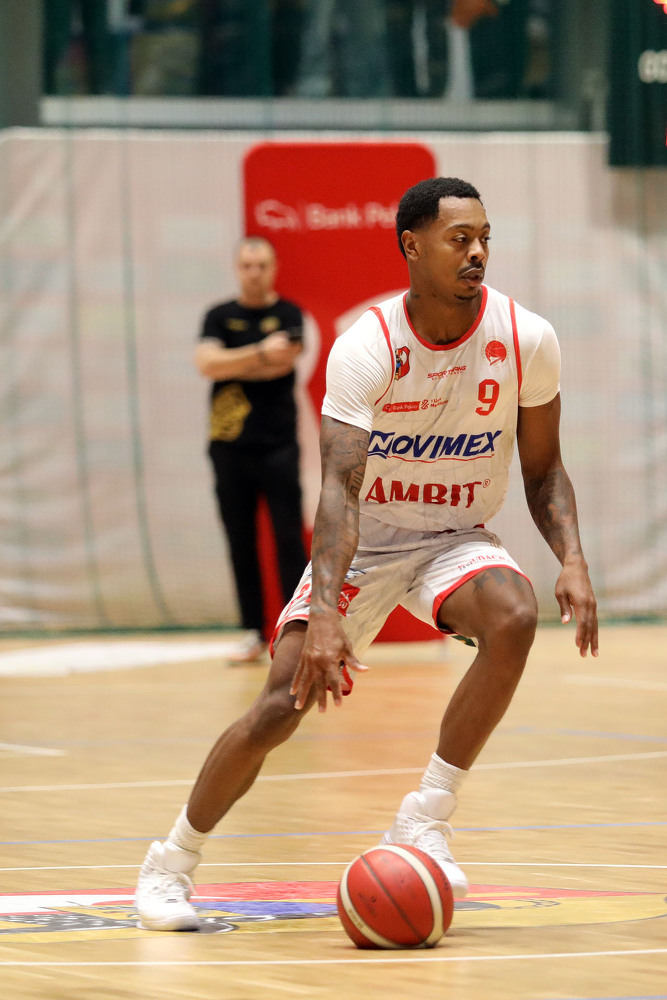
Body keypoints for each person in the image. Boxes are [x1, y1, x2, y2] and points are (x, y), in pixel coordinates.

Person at [135, 176, 598, 931]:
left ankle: (424, 817)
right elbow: (338, 493)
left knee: (514, 615)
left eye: (484, 237)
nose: (477, 252)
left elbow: (543, 468)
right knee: (279, 706)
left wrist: (571, 558)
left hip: (454, 537)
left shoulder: (526, 338)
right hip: (367, 541)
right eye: (458, 239)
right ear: (411, 246)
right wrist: (324, 614)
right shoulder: (368, 346)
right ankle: (169, 863)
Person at [195, 236, 308, 664]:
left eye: (261, 265)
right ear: (237, 268)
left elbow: (285, 362)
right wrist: (261, 352)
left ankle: (296, 632)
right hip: (229, 447)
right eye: (247, 265)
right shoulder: (218, 315)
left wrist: (233, 362)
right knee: (239, 539)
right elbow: (206, 364)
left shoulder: (289, 313)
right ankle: (251, 633)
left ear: (274, 268)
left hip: (278, 446)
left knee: (288, 539)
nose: (254, 273)